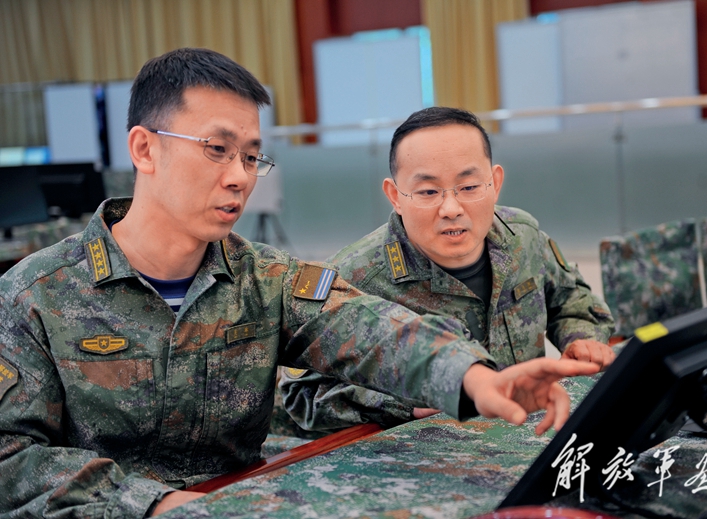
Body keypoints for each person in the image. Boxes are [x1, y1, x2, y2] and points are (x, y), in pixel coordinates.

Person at [0, 50, 600, 518]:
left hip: (242, 503)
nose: (239, 177)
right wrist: (152, 505)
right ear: (144, 149)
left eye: (251, 156)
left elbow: (368, 327)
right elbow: (10, 458)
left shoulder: (267, 279)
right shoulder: (35, 295)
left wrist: (474, 377)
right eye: (217, 149)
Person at [280, 107, 616, 433]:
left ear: (495, 183)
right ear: (395, 196)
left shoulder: (522, 236)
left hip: (528, 433)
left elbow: (572, 300)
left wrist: (581, 339)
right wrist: (406, 402)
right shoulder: (352, 277)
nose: (451, 208)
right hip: (425, 456)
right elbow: (302, 395)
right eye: (428, 191)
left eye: (469, 187)